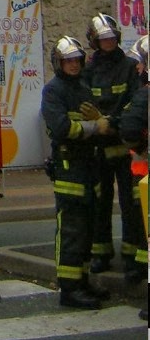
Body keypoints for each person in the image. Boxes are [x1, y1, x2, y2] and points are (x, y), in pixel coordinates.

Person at [40, 34, 113, 309]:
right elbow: (61, 128)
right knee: (71, 230)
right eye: (68, 60)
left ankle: (82, 281)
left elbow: (96, 120)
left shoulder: (83, 86)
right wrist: (94, 127)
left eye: (77, 60)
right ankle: (69, 290)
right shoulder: (53, 90)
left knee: (87, 230)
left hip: (89, 167)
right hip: (69, 168)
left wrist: (101, 121)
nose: (73, 64)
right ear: (58, 63)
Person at [82, 12, 143, 276]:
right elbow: (84, 101)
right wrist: (97, 123)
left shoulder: (129, 67)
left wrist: (112, 121)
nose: (108, 42)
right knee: (100, 201)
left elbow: (134, 101)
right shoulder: (88, 70)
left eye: (111, 38)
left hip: (125, 144)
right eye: (103, 39)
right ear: (94, 41)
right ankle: (101, 253)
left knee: (131, 203)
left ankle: (131, 255)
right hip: (99, 146)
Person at [117, 34, 148, 307]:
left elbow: (129, 129)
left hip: (144, 174)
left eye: (141, 63)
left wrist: (142, 146)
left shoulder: (144, 94)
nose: (137, 68)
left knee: (143, 228)